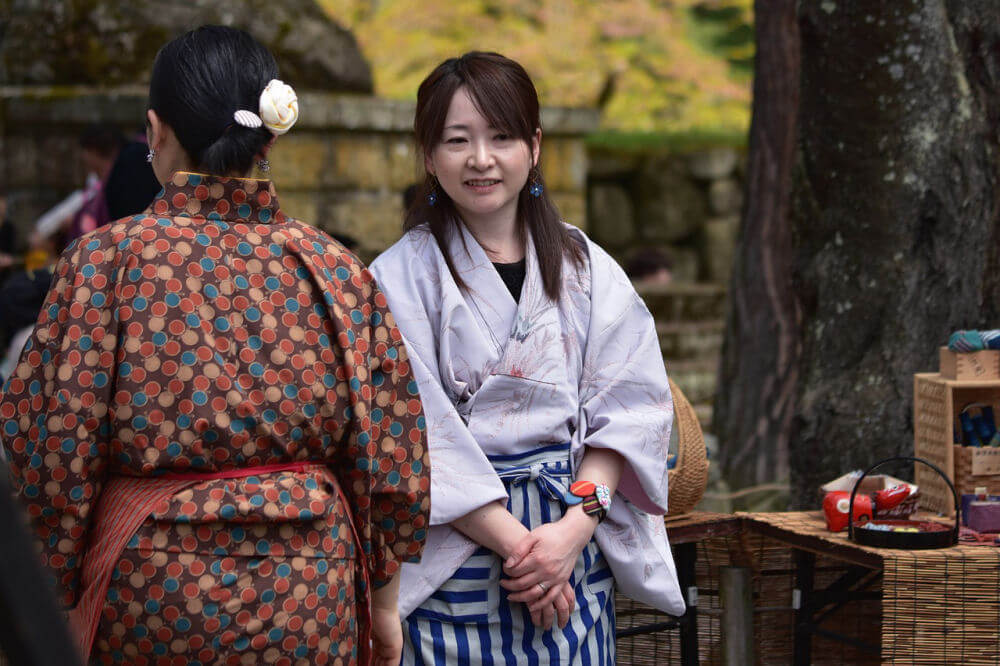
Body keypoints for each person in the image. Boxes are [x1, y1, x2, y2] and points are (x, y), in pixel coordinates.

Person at [0, 25, 430, 666]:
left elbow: (54, 452)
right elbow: (392, 456)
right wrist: (385, 607)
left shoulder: (108, 260)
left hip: (156, 599)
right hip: (314, 598)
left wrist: (51, 595)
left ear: (155, 129)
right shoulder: (336, 269)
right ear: (269, 133)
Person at [370, 51, 684, 665]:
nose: (481, 159)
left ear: (534, 146)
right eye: (457, 140)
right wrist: (525, 550)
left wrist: (573, 531)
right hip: (460, 552)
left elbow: (629, 407)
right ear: (430, 154)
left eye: (502, 137)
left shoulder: (585, 267)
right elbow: (415, 434)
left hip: (571, 532)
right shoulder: (397, 278)